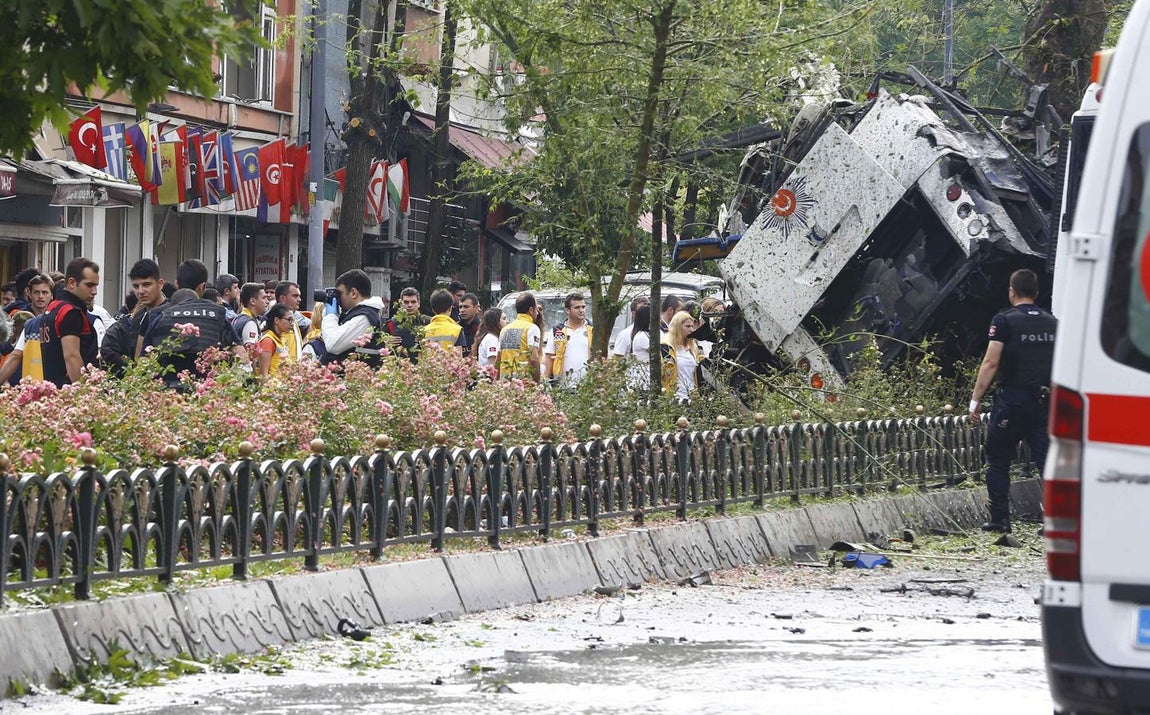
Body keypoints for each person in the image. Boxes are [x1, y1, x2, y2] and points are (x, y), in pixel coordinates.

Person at [968, 269, 1057, 533]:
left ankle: (1000, 520)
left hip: (1012, 401)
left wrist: (976, 400)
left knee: (998, 459)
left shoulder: (1004, 321)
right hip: (1044, 402)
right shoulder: (1053, 322)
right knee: (1047, 462)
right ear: (1036, 293)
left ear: (1011, 291)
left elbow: (991, 362)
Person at [138, 260, 246, 388]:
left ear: (177, 284)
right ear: (203, 287)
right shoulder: (218, 313)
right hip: (207, 395)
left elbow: (142, 362)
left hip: (167, 395)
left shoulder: (157, 315)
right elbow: (241, 356)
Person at [39, 257, 101, 387]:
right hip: (70, 393)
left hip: (53, 389)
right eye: (89, 285)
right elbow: (71, 356)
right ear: (72, 283)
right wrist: (84, 394)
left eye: (95, 286)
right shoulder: (70, 313)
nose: (94, 292)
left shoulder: (53, 307)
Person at [101, 259, 167, 376]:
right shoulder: (138, 318)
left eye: (146, 284)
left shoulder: (171, 313)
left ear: (160, 284)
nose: (141, 291)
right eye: (136, 286)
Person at [320, 269, 387, 367]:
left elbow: (333, 344)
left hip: (354, 378)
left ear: (353, 293)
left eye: (340, 293)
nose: (338, 299)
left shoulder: (364, 317)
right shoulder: (359, 313)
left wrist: (330, 315)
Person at [544, 291, 592, 388]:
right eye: (577, 307)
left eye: (583, 307)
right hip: (562, 388)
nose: (581, 310)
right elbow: (549, 358)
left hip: (588, 387)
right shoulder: (558, 331)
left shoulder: (593, 330)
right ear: (567, 310)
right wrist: (545, 383)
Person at [660, 310, 704, 403]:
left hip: (692, 398)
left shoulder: (695, 348)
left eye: (692, 326)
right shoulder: (665, 348)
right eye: (687, 326)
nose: (691, 329)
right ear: (677, 327)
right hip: (673, 398)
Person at [497, 291, 542, 383]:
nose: (537, 313)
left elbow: (498, 358)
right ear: (531, 310)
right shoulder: (532, 328)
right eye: (536, 309)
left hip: (505, 383)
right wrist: (537, 382)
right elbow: (534, 359)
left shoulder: (505, 329)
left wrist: (496, 381)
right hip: (523, 383)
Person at [385, 287, 429, 360]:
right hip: (398, 367)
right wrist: (386, 345)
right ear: (401, 304)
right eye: (406, 302)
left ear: (419, 303)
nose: (410, 305)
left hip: (422, 367)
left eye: (413, 302)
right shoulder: (391, 324)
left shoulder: (428, 323)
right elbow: (379, 348)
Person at [255, 303, 294, 379]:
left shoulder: (281, 339)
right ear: (276, 320)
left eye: (292, 320)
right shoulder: (268, 340)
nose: (292, 324)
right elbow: (264, 375)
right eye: (289, 320)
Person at [424, 288, 466, 355]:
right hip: (449, 365)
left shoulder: (423, 331)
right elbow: (459, 358)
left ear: (433, 309)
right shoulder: (457, 330)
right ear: (450, 308)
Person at [274, 280, 308, 360]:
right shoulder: (270, 321)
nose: (299, 299)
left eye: (299, 296)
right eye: (295, 296)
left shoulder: (294, 320)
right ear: (282, 298)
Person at [611, 295, 650, 360]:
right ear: (634, 313)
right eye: (642, 310)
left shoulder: (656, 331)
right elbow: (617, 359)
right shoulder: (624, 334)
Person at [625, 304, 653, 390]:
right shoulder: (642, 336)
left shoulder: (645, 334)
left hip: (646, 381)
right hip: (643, 382)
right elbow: (657, 352)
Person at [458, 292, 482, 357]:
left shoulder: (483, 328)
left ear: (476, 308)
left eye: (466, 307)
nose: (462, 310)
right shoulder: (456, 328)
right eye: (460, 307)